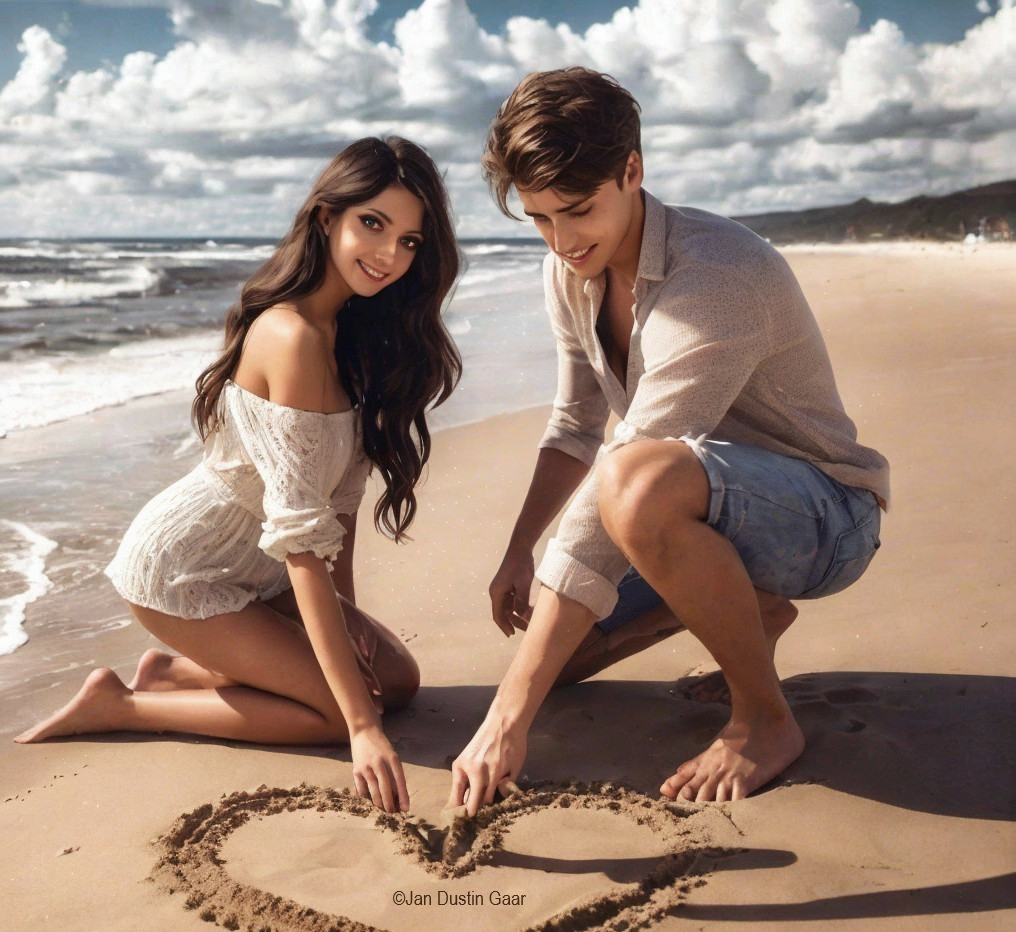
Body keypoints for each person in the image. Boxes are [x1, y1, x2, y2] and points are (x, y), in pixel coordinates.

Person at [447, 68, 889, 810]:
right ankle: (751, 609)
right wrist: (520, 547)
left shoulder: (717, 275)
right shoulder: (570, 271)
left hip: (824, 516)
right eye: (539, 219)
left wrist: (504, 716)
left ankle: (764, 719)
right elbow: (577, 422)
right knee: (565, 654)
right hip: (689, 506)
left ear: (633, 170)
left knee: (631, 489)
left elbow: (629, 460)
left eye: (577, 211)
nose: (560, 241)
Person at [16, 137, 462, 814]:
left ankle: (175, 674)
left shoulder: (351, 335)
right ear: (325, 218)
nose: (389, 255)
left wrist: (344, 617)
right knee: (339, 717)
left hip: (264, 570)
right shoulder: (291, 338)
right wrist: (362, 729)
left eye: (408, 240)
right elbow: (302, 535)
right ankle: (125, 705)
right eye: (372, 223)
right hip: (187, 571)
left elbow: (336, 508)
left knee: (395, 681)